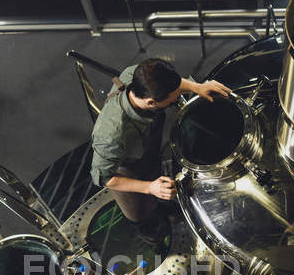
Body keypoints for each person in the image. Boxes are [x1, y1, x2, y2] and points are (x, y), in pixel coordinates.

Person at [90, 58, 230, 244]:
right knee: (141, 213)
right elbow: (103, 178)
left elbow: (177, 84)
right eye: (172, 99)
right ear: (151, 102)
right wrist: (149, 188)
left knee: (157, 189)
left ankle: (160, 206)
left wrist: (196, 87)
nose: (177, 97)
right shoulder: (111, 135)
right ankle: (151, 232)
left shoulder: (138, 75)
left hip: (146, 154)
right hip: (126, 170)